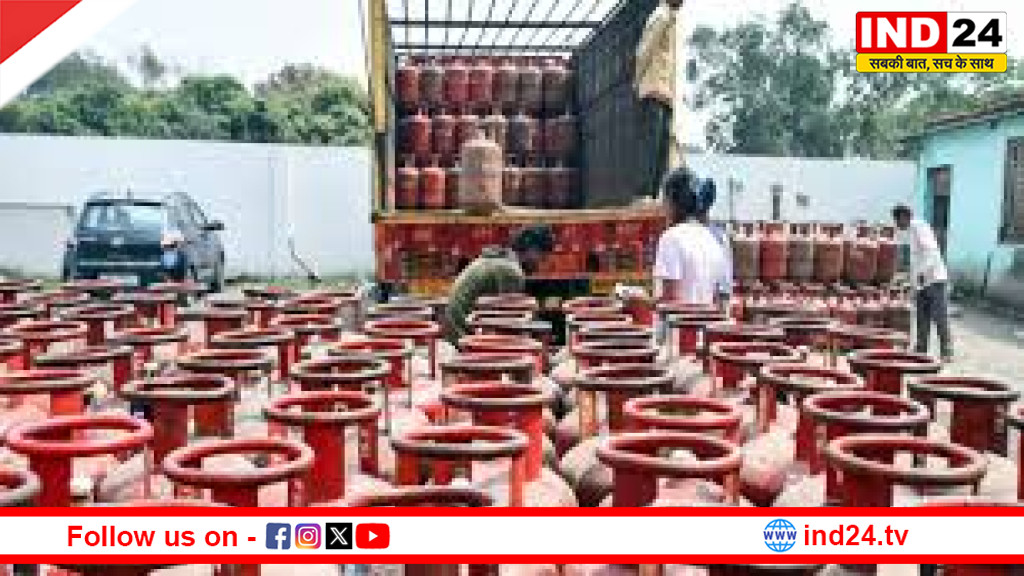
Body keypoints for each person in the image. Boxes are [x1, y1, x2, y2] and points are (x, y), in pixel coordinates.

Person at [444, 225, 554, 344]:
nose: (540, 265)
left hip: (456, 332)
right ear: (532, 250)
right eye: (542, 258)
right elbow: (509, 324)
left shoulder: (500, 260)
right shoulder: (511, 271)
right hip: (462, 337)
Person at [654, 167, 730, 307]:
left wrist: (640, 301)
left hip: (679, 327)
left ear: (672, 201)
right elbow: (719, 298)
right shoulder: (712, 239)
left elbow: (670, 301)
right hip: (705, 325)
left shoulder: (671, 238)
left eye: (664, 200)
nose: (663, 207)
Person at [892, 204, 953, 361]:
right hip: (922, 282)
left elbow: (930, 252)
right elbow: (916, 259)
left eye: (897, 221)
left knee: (940, 316)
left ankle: (947, 351)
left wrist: (920, 274)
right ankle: (921, 348)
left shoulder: (920, 227)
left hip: (935, 280)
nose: (897, 225)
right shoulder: (911, 231)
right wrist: (910, 280)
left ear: (904, 217)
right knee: (922, 317)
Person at [636, 0, 683, 198]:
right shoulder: (660, 16)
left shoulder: (671, 20)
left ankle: (654, 195)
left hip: (665, 95)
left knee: (661, 151)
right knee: (651, 149)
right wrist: (638, 80)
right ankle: (644, 194)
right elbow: (643, 51)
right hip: (654, 91)